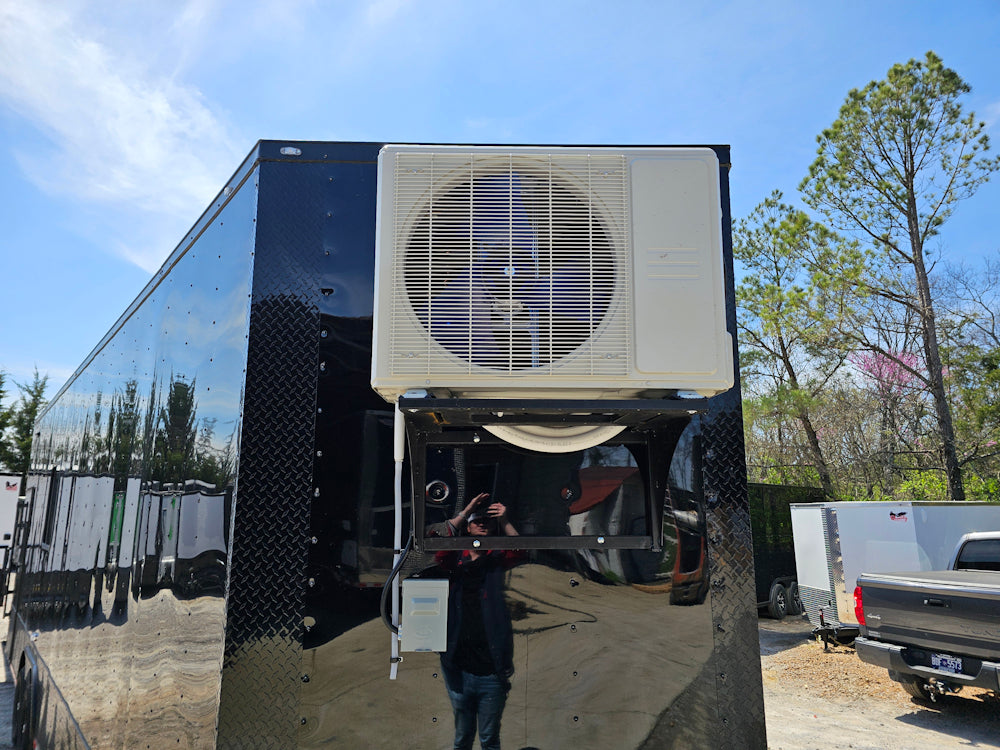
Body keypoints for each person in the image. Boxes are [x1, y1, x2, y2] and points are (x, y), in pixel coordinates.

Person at [435, 492, 523, 750]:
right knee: (462, 737)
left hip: (491, 671)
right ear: (468, 526)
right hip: (458, 669)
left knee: (488, 738)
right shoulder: (455, 558)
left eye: (486, 521)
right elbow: (441, 545)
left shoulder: (497, 558)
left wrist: (504, 520)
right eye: (477, 520)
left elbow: (521, 549)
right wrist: (466, 511)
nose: (482, 524)